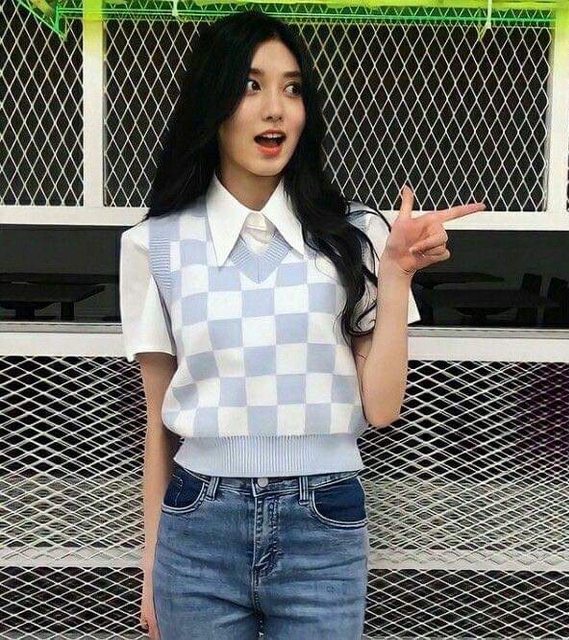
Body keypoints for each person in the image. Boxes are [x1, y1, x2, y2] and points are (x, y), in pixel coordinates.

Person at [119, 9, 485, 640]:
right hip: (198, 526)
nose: (275, 109)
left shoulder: (358, 235)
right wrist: (151, 562)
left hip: (325, 522)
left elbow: (383, 409)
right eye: (251, 85)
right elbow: (158, 424)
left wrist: (397, 275)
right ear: (212, 104)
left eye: (292, 89)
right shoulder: (155, 245)